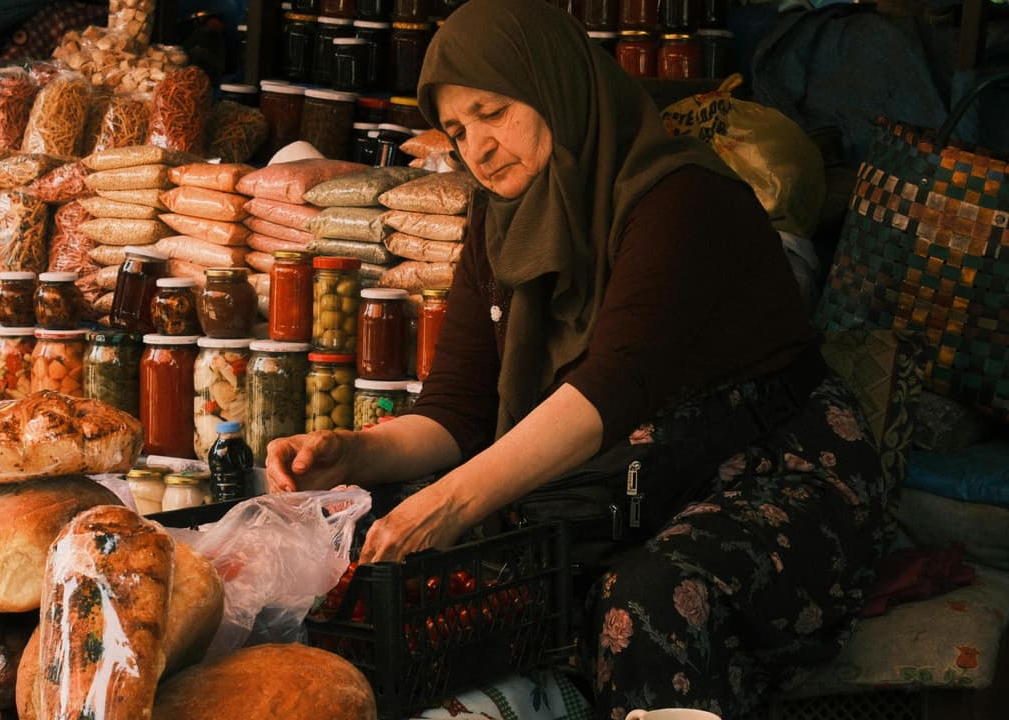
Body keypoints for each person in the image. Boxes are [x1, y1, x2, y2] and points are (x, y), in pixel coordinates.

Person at [267, 0, 895, 717]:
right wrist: (355, 453)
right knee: (417, 569)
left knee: (646, 597)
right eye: (458, 131)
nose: (478, 148)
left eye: (494, 112)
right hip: (626, 477)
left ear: (557, 86)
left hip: (769, 469)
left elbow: (614, 386)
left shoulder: (683, 200)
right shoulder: (497, 226)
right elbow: (459, 409)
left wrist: (451, 500)